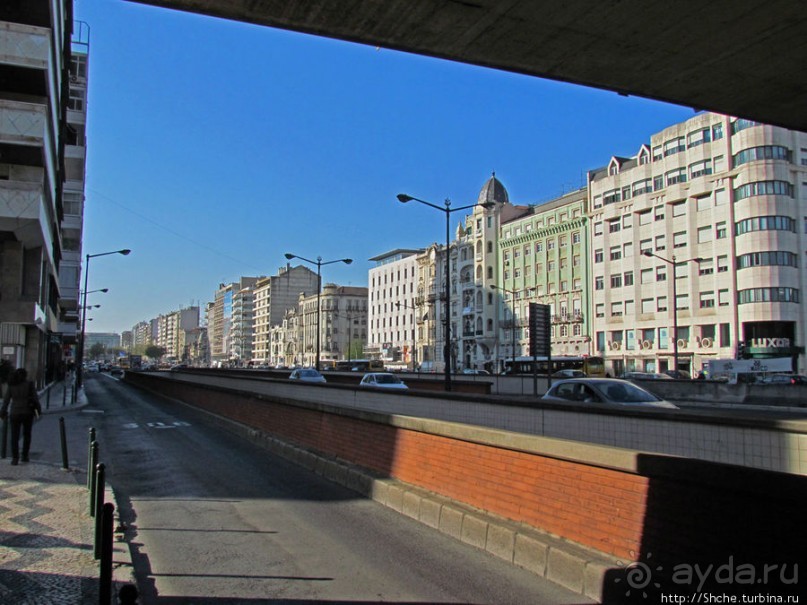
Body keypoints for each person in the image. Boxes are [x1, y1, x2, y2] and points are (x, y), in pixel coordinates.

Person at [0, 368, 41, 465]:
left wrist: (3, 411)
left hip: (15, 412)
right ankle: (25, 456)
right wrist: (38, 411)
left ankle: (15, 458)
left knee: (14, 436)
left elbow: (6, 400)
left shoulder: (12, 385)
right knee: (27, 435)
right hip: (27, 412)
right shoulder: (29, 384)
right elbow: (35, 399)